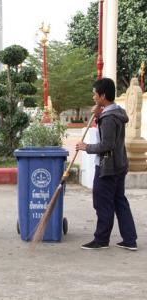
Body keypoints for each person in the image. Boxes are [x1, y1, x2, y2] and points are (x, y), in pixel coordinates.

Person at [75, 78, 138, 251]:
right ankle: (130, 239)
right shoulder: (116, 112)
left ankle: (101, 240)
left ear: (103, 96)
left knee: (102, 203)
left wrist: (85, 147)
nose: (93, 97)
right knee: (119, 202)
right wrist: (98, 115)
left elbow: (106, 145)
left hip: (107, 167)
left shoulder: (109, 118)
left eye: (95, 94)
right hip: (119, 165)